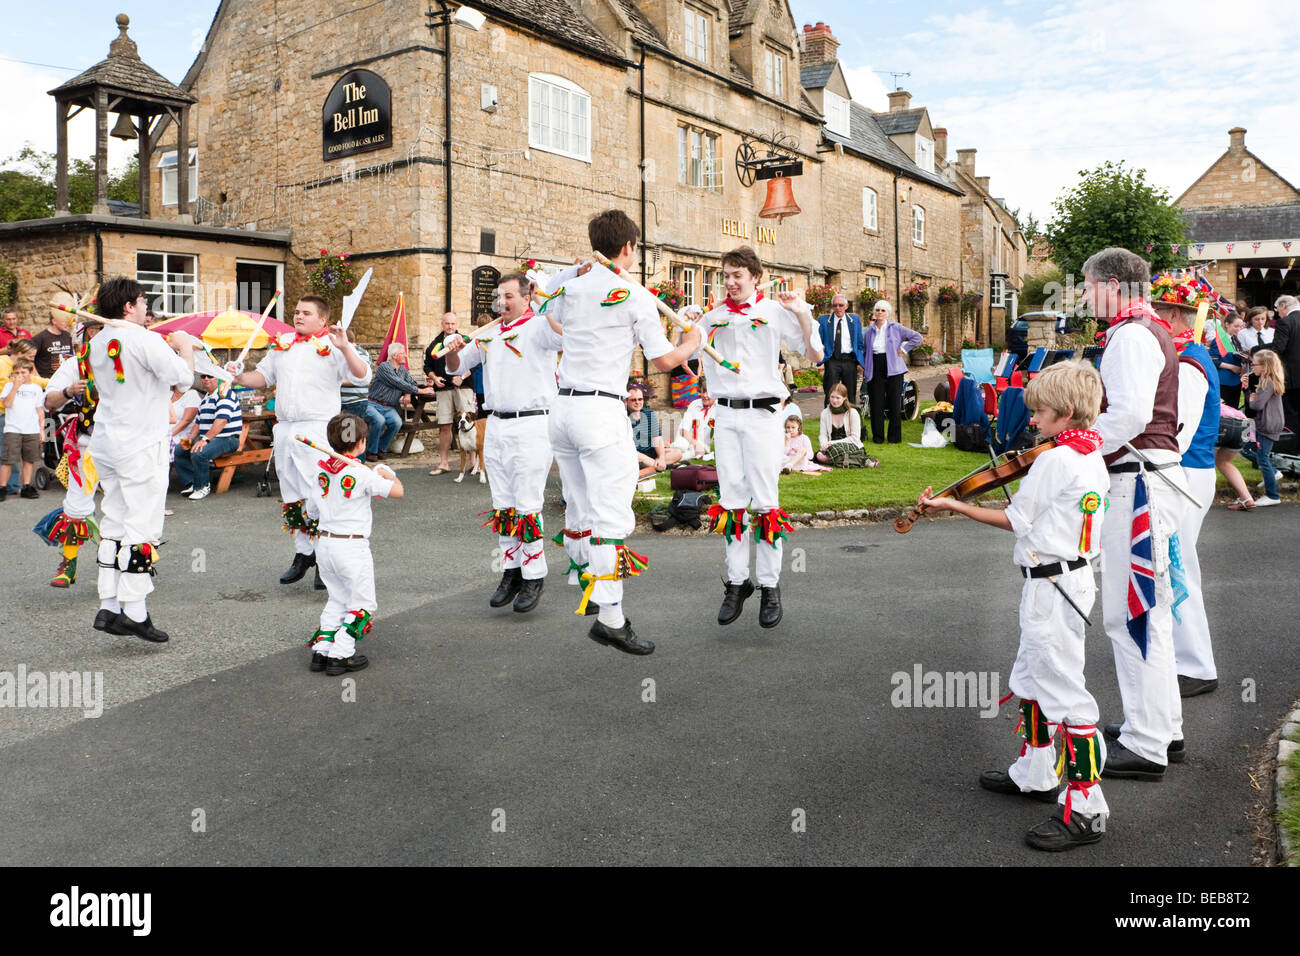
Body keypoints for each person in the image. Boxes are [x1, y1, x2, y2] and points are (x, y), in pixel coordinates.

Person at [919, 360, 1111, 851]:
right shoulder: (1090, 453)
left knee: (1066, 693)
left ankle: (1086, 808)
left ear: (1066, 413)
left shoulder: (1055, 460)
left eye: (1041, 413)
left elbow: (1016, 518)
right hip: (1068, 580)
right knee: (1031, 678)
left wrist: (955, 505)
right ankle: (1035, 772)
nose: (1033, 421)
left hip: (1053, 587)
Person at [541, 208, 701, 655]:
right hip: (599, 411)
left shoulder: (571, 287)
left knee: (580, 501)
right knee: (610, 515)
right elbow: (664, 360)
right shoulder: (634, 295)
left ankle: (583, 577)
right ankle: (610, 617)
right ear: (628, 248)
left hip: (563, 410)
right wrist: (694, 343)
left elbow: (540, 296)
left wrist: (573, 270)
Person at [1085, 247, 1189, 782]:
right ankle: (1162, 728)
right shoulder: (1151, 330)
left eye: (1088, 285)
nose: (1082, 295)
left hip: (1138, 481)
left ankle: (1145, 742)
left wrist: (1078, 447)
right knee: (1152, 608)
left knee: (1131, 612)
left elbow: (1128, 414)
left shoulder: (1130, 336)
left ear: (1113, 285)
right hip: (1153, 476)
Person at [700, 244, 821, 628]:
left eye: (738, 275)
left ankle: (770, 586)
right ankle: (737, 583)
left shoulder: (773, 311)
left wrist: (801, 311)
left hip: (764, 415)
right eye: (726, 275)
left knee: (766, 501)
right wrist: (686, 327)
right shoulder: (712, 317)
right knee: (732, 500)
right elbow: (683, 355)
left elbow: (814, 352)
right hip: (725, 414)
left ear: (756, 277)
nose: (731, 282)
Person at [227, 296, 371, 589]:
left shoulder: (333, 345)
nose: (299, 316)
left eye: (306, 313)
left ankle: (324, 558)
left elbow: (362, 376)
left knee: (319, 494)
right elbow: (262, 376)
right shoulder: (283, 345)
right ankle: (304, 552)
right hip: (284, 428)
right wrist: (238, 375)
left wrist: (345, 347)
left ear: (322, 320)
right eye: (296, 312)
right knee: (291, 491)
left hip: (317, 428)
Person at [442, 272, 564, 613]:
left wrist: (545, 302)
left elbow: (567, 335)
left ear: (527, 297)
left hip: (532, 423)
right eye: (499, 296)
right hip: (495, 423)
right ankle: (511, 570)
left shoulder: (539, 327)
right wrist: (452, 352)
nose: (502, 302)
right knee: (504, 503)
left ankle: (533, 575)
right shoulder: (490, 333)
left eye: (509, 296)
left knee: (527, 502)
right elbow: (456, 367)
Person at [86, 276, 196, 643]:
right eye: (144, 301)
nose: (148, 307)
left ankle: (109, 604)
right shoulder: (144, 339)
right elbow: (182, 377)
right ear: (129, 306)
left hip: (107, 441)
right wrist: (184, 347)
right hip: (140, 442)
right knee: (143, 524)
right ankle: (134, 609)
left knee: (114, 518)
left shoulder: (97, 342)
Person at [1151, 293, 1220, 706]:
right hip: (1187, 472)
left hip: (1186, 473)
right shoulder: (1186, 355)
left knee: (1178, 566)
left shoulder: (1191, 362)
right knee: (1172, 564)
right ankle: (1182, 656)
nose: (1152, 318)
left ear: (1175, 315)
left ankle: (1195, 665)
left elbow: (1180, 430)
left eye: (1158, 312)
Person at [307, 411, 402, 676]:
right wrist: (386, 471)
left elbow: (312, 513)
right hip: (351, 548)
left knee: (337, 598)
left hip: (324, 546)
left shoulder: (321, 473)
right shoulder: (363, 474)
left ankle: (322, 651)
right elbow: (398, 491)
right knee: (362, 603)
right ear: (361, 443)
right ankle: (341, 654)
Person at [40, 317, 103, 588]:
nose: (104, 335)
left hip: (127, 446)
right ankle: (69, 565)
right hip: (87, 444)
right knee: (76, 503)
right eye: (99, 330)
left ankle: (124, 562)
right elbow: (49, 400)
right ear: (88, 333)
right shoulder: (75, 365)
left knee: (126, 506)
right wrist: (68, 391)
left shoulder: (131, 360)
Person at [174, 372, 243, 500]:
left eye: (210, 376)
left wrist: (205, 439)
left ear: (218, 378)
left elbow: (222, 420)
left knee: (199, 452)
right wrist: (189, 439)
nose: (206, 379)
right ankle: (193, 482)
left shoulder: (224, 393)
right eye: (203, 376)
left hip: (227, 438)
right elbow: (198, 423)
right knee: (179, 449)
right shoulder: (206, 397)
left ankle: (202, 486)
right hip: (208, 437)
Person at [862, 300, 922, 443]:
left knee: (894, 402)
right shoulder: (869, 332)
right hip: (875, 366)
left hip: (894, 368)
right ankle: (878, 437)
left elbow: (917, 337)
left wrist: (904, 349)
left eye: (883, 310)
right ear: (874, 313)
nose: (880, 313)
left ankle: (894, 438)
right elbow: (864, 350)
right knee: (876, 403)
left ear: (888, 313)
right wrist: (864, 366)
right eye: (877, 310)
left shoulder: (896, 328)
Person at [424, 311, 476, 476]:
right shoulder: (435, 344)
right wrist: (434, 377)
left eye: (453, 323)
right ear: (442, 324)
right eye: (447, 323)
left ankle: (473, 462)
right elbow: (427, 366)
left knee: (469, 424)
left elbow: (475, 363)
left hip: (464, 387)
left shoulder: (465, 341)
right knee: (445, 425)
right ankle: (444, 463)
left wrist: (462, 376)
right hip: (443, 389)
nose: (450, 326)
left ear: (457, 324)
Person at [366, 342, 435, 460]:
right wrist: (421, 391)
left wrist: (408, 393)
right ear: (394, 356)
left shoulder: (402, 370)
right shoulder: (384, 367)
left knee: (397, 423)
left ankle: (381, 448)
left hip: (389, 407)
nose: (405, 356)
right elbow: (398, 383)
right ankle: (371, 451)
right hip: (373, 404)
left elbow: (411, 383)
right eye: (402, 354)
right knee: (379, 421)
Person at [1241, 349, 1285, 507]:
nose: (1252, 367)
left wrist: (1251, 397)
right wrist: (1248, 390)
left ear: (1265, 367)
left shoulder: (1266, 383)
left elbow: (1256, 405)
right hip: (1267, 423)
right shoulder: (1269, 380)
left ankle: (1272, 494)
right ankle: (1272, 475)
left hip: (1267, 424)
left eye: (1254, 364)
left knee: (1263, 458)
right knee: (1255, 453)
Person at [0, 357, 45, 501]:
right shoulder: (8, 386)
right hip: (13, 429)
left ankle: (27, 486)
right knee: (8, 459)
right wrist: (15, 387)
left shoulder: (36, 389)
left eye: (23, 372)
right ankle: (2, 487)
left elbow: (40, 411)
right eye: (17, 373)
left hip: (31, 429)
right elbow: (6, 404)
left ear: (30, 373)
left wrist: (42, 430)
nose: (20, 375)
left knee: (29, 459)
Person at [817, 293, 865, 407]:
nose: (838, 308)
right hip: (832, 360)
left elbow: (859, 341)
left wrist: (858, 360)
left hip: (849, 360)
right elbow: (817, 340)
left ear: (846, 306)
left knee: (850, 393)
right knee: (830, 392)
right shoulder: (823, 320)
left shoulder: (855, 320)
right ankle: (829, 419)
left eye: (840, 305)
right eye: (835, 305)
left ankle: (850, 419)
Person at [339, 335, 382, 463]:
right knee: (346, 436)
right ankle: (349, 464)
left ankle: (357, 465)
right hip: (345, 401)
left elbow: (359, 379)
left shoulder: (359, 353)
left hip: (354, 402)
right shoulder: (346, 352)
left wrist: (336, 382)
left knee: (351, 437)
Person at [626, 383, 680, 479]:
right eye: (633, 400)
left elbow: (657, 439)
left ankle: (655, 465)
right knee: (633, 455)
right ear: (626, 401)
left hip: (651, 453)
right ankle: (664, 466)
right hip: (635, 454)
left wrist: (661, 458)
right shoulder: (623, 417)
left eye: (640, 399)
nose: (637, 402)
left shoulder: (649, 414)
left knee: (677, 453)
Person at [814, 382, 867, 467]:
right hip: (831, 447)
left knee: (833, 450)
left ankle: (841, 459)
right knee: (818, 456)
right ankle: (853, 460)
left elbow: (855, 438)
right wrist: (824, 445)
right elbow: (823, 434)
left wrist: (832, 443)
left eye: (838, 398)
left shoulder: (852, 413)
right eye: (832, 397)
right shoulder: (825, 413)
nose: (834, 400)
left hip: (850, 445)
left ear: (845, 398)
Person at [1269, 294, 1300, 432]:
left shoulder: (1285, 322)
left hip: (1291, 376)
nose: (1278, 313)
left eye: (1278, 309)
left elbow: (1278, 348)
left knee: (1290, 412)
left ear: (1283, 306)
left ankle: (1293, 446)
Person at [671, 376, 717, 460]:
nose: (705, 396)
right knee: (682, 445)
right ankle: (672, 455)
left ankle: (670, 458)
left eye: (708, 392)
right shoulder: (694, 405)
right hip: (689, 441)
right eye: (703, 392)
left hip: (704, 447)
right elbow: (683, 430)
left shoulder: (720, 408)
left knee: (691, 452)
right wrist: (695, 444)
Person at [1208, 313, 1246, 409]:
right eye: (1236, 326)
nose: (1238, 329)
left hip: (1236, 380)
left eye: (1240, 327)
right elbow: (1213, 360)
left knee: (1234, 408)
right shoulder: (1219, 340)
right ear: (1227, 324)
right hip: (1224, 381)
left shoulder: (1236, 340)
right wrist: (1232, 367)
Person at [31, 300, 75, 378]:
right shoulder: (40, 338)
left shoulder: (68, 336)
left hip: (65, 378)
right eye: (63, 320)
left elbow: (72, 358)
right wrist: (38, 377)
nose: (67, 322)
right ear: (54, 321)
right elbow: (28, 358)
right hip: (47, 381)